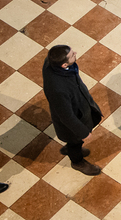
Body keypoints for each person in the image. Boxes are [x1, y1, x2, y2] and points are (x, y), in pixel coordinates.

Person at [42, 45, 103, 176]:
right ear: (64, 65)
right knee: (75, 141)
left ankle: (71, 148)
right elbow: (67, 117)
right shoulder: (58, 90)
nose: (75, 53)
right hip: (73, 121)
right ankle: (77, 161)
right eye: (71, 55)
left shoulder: (51, 62)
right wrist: (83, 132)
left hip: (78, 105)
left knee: (75, 140)